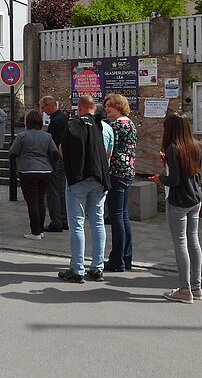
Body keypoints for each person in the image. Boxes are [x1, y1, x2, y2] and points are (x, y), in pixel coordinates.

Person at [150, 113, 202, 304]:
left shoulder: (174, 148)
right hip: (195, 198)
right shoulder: (196, 145)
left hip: (178, 201)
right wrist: (167, 163)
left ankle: (184, 290)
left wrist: (159, 179)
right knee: (193, 241)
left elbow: (174, 180)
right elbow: (194, 173)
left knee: (180, 243)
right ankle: (196, 286)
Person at [58, 95, 110, 283]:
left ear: (79, 108)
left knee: (77, 223)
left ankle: (77, 269)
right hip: (99, 178)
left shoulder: (74, 125)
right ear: (94, 108)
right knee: (98, 222)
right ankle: (97, 268)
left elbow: (62, 150)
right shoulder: (103, 126)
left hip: (79, 178)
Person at [9, 109, 59, 240]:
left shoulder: (22, 136)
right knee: (40, 200)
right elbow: (55, 154)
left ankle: (35, 232)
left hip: (28, 170)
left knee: (32, 202)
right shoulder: (47, 136)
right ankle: (40, 229)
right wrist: (54, 168)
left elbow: (13, 152)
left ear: (28, 122)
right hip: (45, 170)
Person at [103, 93, 137, 272]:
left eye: (110, 105)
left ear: (118, 106)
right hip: (128, 172)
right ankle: (126, 257)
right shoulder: (130, 124)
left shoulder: (115, 126)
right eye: (106, 106)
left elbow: (107, 149)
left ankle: (117, 260)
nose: (107, 108)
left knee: (116, 216)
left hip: (116, 173)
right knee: (123, 216)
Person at [39, 95, 68, 232]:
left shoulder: (56, 121)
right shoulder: (63, 117)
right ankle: (64, 219)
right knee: (61, 190)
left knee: (53, 191)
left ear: (50, 105)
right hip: (64, 158)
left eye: (43, 107)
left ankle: (56, 222)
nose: (42, 110)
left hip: (57, 159)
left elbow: (54, 144)